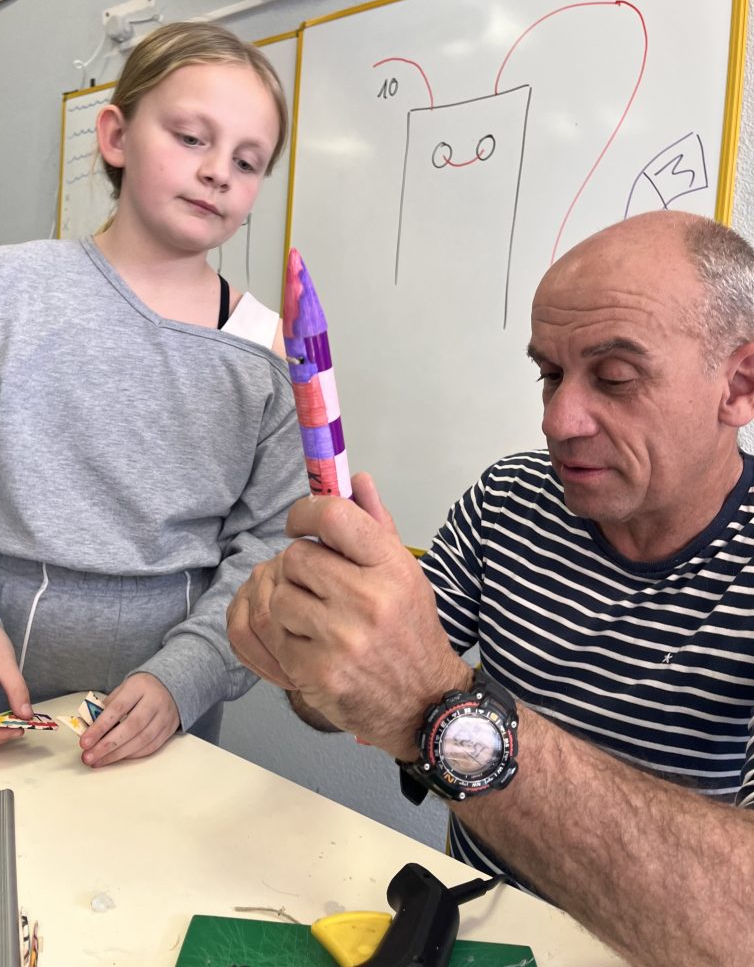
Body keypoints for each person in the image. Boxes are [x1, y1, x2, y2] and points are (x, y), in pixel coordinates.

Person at [227, 210, 754, 967]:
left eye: (615, 378)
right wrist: (312, 654)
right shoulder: (509, 499)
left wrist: (435, 709)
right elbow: (362, 694)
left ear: (739, 384)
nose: (559, 420)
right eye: (550, 375)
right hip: (476, 929)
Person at [0, 21, 308, 768]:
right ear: (115, 136)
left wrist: (188, 675)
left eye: (247, 161)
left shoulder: (265, 348)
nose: (218, 172)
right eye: (192, 138)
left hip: (163, 718)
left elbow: (273, 544)